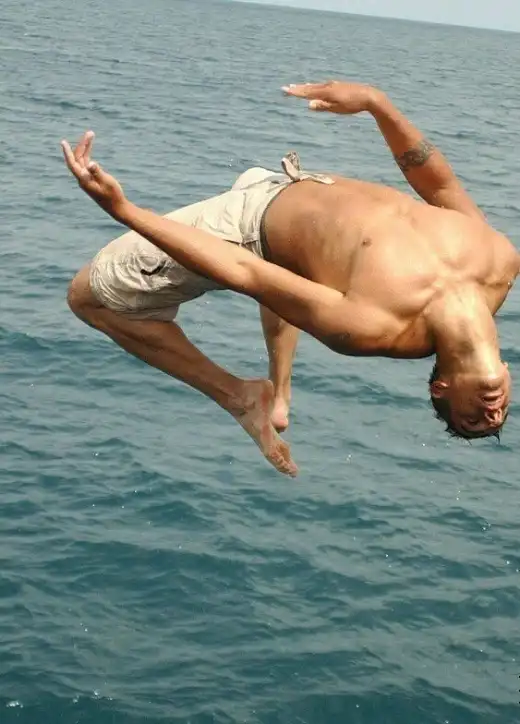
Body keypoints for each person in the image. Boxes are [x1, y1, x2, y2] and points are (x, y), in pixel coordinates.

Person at [63, 80, 519, 477]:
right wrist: (376, 104)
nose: (493, 413)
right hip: (295, 180)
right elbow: (439, 186)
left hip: (246, 225)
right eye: (500, 416)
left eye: (474, 420)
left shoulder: (375, 327)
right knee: (299, 280)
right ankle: (279, 394)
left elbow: (245, 271)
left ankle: (238, 396)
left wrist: (126, 211)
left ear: (442, 388)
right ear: (509, 377)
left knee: (87, 297)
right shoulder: (500, 265)